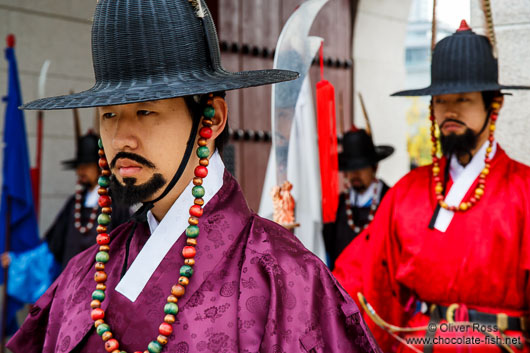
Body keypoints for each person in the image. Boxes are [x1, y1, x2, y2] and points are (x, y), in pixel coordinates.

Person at [7, 1, 380, 352]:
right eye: (108, 114)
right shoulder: (82, 275)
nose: (121, 138)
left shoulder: (285, 277)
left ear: (212, 118)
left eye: (145, 112)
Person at [334, 20, 530, 353]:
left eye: (464, 99)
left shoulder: (523, 190)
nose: (450, 111)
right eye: (440, 101)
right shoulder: (406, 193)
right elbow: (365, 280)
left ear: (493, 104)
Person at [323, 127, 393, 270]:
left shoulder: (391, 200)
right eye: (350, 168)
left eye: (361, 167)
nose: (355, 174)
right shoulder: (338, 205)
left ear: (374, 167)